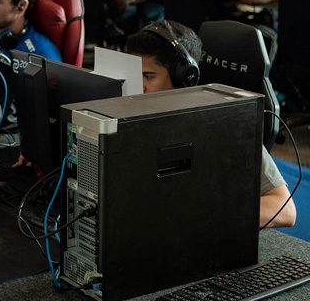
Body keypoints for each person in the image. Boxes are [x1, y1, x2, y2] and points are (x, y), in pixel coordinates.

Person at [125, 21, 296, 228]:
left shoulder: (223, 125)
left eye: (148, 76)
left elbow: (284, 208)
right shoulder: (123, 116)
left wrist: (204, 218)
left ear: (184, 77)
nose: (138, 86)